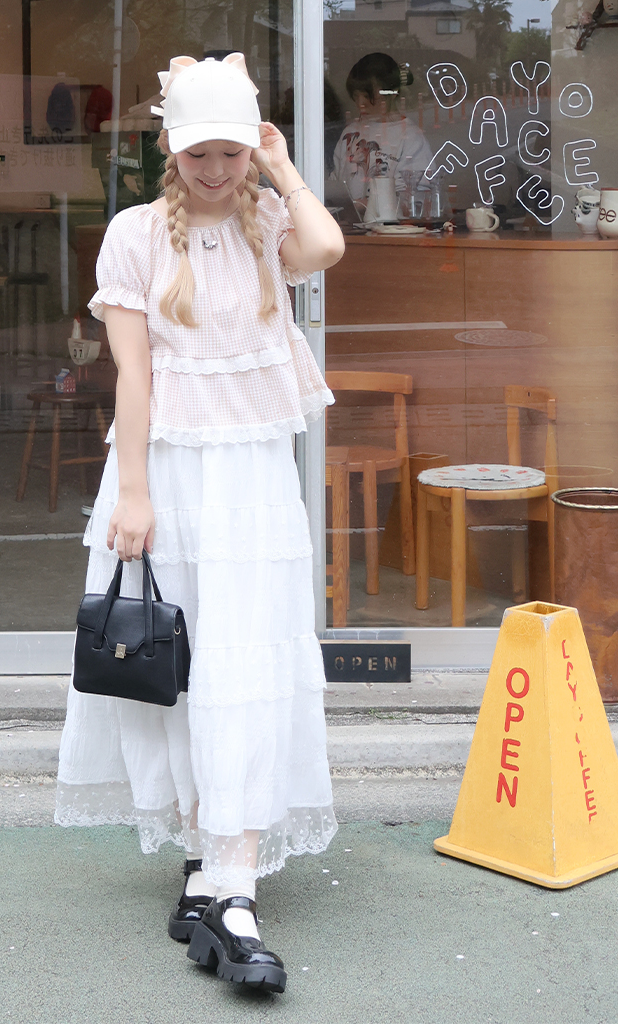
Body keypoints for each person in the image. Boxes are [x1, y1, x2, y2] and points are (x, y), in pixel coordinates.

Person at [55, 53, 344, 994]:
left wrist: (283, 167)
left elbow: (327, 248)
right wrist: (133, 494)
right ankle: (205, 860)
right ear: (169, 151)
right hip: (168, 473)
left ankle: (231, 887)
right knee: (178, 668)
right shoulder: (136, 234)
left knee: (248, 666)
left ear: (251, 148)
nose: (215, 170)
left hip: (252, 477)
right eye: (197, 153)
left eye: (230, 152)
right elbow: (133, 375)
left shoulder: (268, 220)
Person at [330, 52, 432, 205]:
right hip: (349, 219)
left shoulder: (411, 137)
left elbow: (415, 196)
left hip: (391, 221)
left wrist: (363, 206)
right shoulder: (349, 133)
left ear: (392, 93)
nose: (361, 103)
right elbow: (336, 183)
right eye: (356, 96)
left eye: (368, 96)